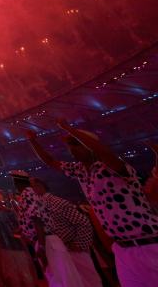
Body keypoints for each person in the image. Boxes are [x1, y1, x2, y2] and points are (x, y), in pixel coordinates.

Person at [28, 121, 158, 286]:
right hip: (122, 249)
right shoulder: (81, 171)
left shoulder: (113, 166)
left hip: (150, 243)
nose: (71, 149)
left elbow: (103, 151)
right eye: (70, 146)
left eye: (76, 144)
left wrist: (69, 129)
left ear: (90, 146)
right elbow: (50, 161)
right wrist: (32, 141)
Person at [10, 170, 86, 287]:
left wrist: (41, 246)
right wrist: (23, 229)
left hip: (46, 241)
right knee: (61, 278)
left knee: (60, 279)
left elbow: (37, 219)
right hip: (46, 240)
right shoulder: (32, 193)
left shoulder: (27, 193)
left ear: (16, 182)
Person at [29, 176, 102, 286]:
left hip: (73, 250)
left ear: (39, 186)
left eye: (29, 188)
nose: (27, 192)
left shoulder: (56, 202)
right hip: (60, 252)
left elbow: (83, 222)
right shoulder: (37, 206)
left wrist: (79, 244)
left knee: (88, 282)